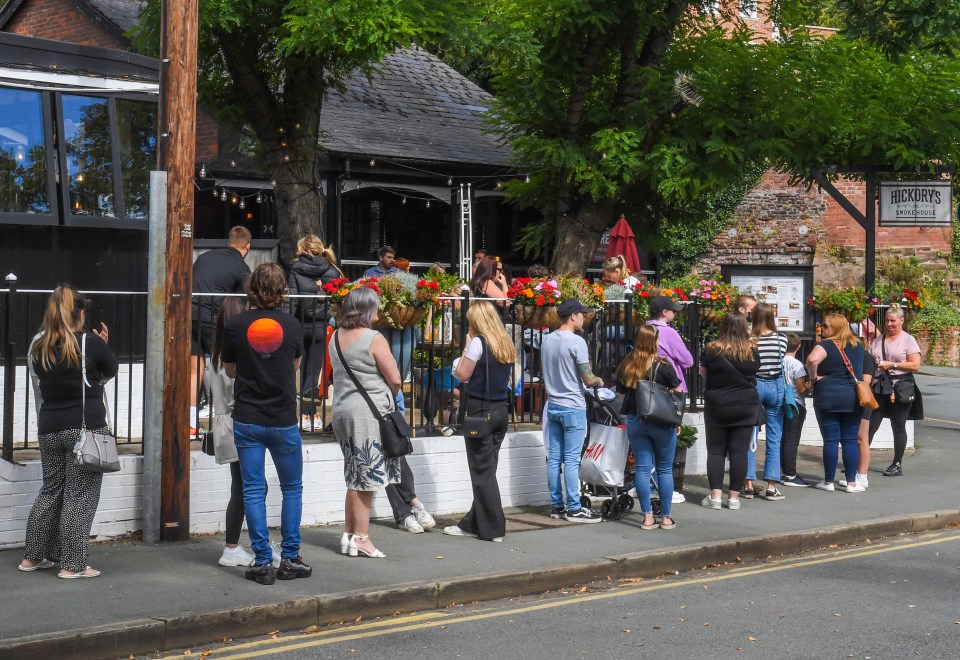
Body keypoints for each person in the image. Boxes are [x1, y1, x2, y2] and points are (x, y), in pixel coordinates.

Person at [222, 263, 310, 585]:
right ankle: (290, 558)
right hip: (283, 418)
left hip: (247, 418)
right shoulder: (293, 325)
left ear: (252, 289)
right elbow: (296, 364)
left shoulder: (235, 325)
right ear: (282, 290)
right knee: (292, 488)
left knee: (253, 490)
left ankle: (261, 562)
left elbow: (230, 371)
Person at [21, 286, 118, 578]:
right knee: (80, 496)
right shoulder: (90, 343)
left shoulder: (40, 346)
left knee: (50, 491)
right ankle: (72, 564)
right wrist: (103, 346)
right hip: (84, 431)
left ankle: (33, 557)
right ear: (79, 314)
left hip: (49, 427)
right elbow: (110, 370)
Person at [360, 250, 436, 534]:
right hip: (383, 398)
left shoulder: (366, 334)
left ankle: (407, 509)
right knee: (391, 453)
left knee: (392, 454)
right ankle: (410, 506)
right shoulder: (390, 332)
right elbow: (396, 372)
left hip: (375, 399)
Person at [330, 287, 404, 558]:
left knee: (354, 473)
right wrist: (388, 397)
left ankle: (349, 534)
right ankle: (362, 538)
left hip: (341, 410)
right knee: (368, 476)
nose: (378, 312)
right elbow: (395, 378)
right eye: (376, 307)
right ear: (366, 309)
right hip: (367, 413)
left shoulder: (335, 337)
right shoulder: (374, 338)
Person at [444, 301, 516, 541]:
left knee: (482, 473)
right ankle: (472, 523)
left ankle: (494, 528)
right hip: (500, 411)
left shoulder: (478, 343)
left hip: (479, 412)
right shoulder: (505, 342)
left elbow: (462, 375)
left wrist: (466, 347)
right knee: (487, 470)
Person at [541, 299, 604, 523]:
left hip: (554, 405)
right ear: (572, 316)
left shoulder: (547, 340)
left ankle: (557, 505)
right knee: (571, 458)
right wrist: (599, 380)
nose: (584, 318)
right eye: (581, 314)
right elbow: (587, 378)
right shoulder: (576, 342)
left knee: (554, 457)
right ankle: (574, 507)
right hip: (573, 406)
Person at [616, 325, 682, 530]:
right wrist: (678, 421)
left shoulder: (628, 364)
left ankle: (647, 517)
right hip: (661, 422)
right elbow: (678, 392)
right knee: (664, 469)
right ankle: (666, 517)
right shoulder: (664, 366)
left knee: (642, 469)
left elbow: (620, 394)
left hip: (637, 421)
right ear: (654, 342)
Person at [210, 297, 258, 568]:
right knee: (247, 488)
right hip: (238, 422)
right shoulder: (237, 358)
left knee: (241, 487)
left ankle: (237, 545)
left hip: (222, 424)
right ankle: (233, 547)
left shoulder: (214, 357)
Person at [191, 226, 252, 436]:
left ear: (229, 243)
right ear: (248, 247)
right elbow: (241, 304)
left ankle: (191, 422)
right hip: (212, 317)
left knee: (193, 368)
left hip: (188, 315)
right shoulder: (242, 267)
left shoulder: (205, 257)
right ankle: (222, 419)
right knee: (222, 367)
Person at [698, 313, 760, 511]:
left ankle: (715, 497)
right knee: (739, 452)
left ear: (723, 326)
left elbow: (703, 373)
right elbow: (756, 371)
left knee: (716, 451)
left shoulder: (711, 348)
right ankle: (734, 498)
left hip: (717, 404)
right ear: (744, 327)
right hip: (745, 404)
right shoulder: (751, 349)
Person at [806, 313, 866, 493]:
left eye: (824, 326)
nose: (821, 329)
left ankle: (829, 481)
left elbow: (811, 360)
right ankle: (851, 483)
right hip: (853, 397)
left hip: (828, 395)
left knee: (831, 440)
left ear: (834, 328)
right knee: (849, 440)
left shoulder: (825, 345)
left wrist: (813, 377)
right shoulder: (858, 345)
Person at [287, 235, 342, 429]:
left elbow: (292, 299)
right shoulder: (333, 269)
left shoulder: (295, 268)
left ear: (306, 250)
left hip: (301, 324)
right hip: (322, 325)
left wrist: (286, 324)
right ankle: (311, 415)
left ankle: (305, 415)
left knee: (300, 369)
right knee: (313, 371)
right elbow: (338, 299)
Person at [867, 304, 922, 476]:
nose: (889, 324)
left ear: (901, 321)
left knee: (898, 426)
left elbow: (915, 365)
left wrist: (893, 364)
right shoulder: (878, 340)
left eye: (893, 321)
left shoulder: (908, 340)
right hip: (879, 387)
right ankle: (859, 460)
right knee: (869, 426)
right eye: (887, 321)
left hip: (900, 388)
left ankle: (897, 464)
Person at [746, 303, 788, 501]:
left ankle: (747, 482)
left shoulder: (750, 339)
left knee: (750, 436)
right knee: (774, 436)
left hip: (754, 385)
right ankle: (771, 485)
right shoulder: (781, 339)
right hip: (775, 386)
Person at [646, 296, 694, 392]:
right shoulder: (668, 332)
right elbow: (688, 361)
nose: (675, 313)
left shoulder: (644, 329)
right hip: (670, 383)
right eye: (674, 311)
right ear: (664, 312)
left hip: (647, 381)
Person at [780, 332, 809, 487]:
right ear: (798, 346)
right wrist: (809, 385)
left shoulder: (778, 361)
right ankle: (790, 473)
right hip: (794, 403)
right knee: (792, 439)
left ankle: (780, 469)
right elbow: (801, 388)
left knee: (781, 437)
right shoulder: (796, 364)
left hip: (780, 401)